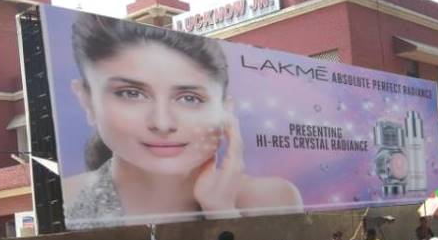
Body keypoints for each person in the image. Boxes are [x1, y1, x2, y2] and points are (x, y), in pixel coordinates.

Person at [65, 14, 303, 228]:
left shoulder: (271, 198)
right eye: (131, 93)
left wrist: (221, 209)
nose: (162, 123)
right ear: (86, 100)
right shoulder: (66, 200)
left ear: (225, 111)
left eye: (189, 98)